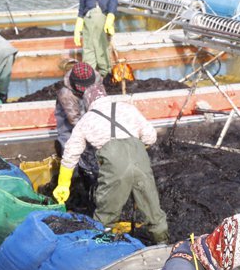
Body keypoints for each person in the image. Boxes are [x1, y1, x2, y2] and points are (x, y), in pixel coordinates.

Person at [53, 84, 170, 244]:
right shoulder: (128, 109)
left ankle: (103, 251)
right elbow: (150, 136)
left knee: (105, 215)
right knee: (153, 211)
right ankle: (164, 246)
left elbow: (71, 152)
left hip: (114, 165)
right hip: (139, 159)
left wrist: (63, 184)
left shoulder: (87, 119)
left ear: (88, 102)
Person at [55, 61, 103, 201]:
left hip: (89, 118)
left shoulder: (96, 80)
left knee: (93, 155)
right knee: (69, 150)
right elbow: (75, 119)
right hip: (70, 125)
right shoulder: (66, 94)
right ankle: (74, 186)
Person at [75, 0, 117, 78]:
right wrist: (78, 27)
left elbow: (112, 10)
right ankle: (89, 76)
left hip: (103, 28)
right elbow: (81, 11)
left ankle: (105, 74)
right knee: (88, 49)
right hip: (88, 27)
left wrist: (109, 22)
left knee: (102, 49)